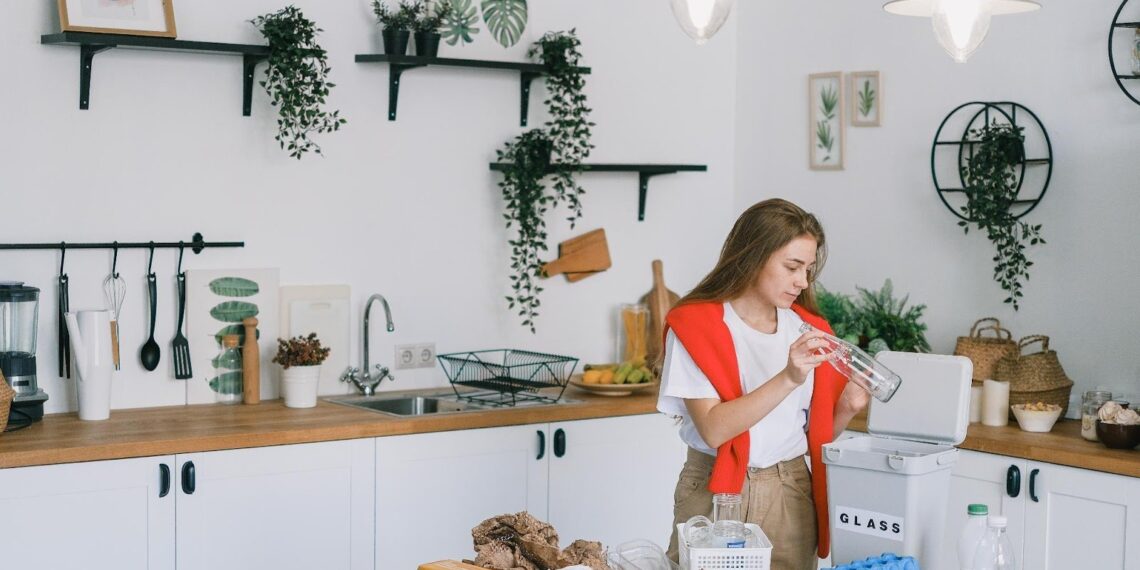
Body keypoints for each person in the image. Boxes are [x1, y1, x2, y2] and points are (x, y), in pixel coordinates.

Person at [659, 198, 870, 569]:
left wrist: (847, 408)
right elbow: (713, 429)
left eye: (808, 269)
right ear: (753, 256)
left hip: (790, 488)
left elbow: (809, 438)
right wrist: (789, 377)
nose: (802, 281)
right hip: (715, 487)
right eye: (792, 267)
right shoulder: (695, 327)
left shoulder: (809, 330)